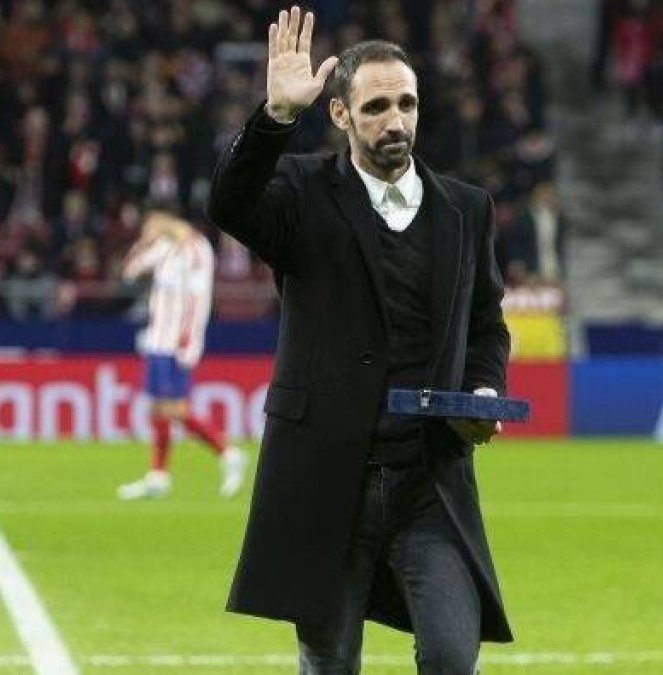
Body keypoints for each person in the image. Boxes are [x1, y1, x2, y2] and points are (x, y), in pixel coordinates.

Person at [207, 8, 512, 674]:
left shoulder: (465, 209)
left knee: (452, 657)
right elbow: (228, 204)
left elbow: (488, 324)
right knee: (330, 663)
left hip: (428, 482)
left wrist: (486, 389)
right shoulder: (301, 192)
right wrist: (275, 118)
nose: (395, 120)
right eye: (375, 106)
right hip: (326, 479)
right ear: (341, 115)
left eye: (406, 103)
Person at [117, 211, 248, 500]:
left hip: (177, 343)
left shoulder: (196, 249)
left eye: (151, 225)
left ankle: (228, 453)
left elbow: (197, 299)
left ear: (169, 220)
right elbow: (129, 272)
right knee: (157, 409)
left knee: (174, 409)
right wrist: (143, 245)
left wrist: (187, 342)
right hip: (157, 342)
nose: (149, 230)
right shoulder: (165, 249)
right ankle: (158, 477)